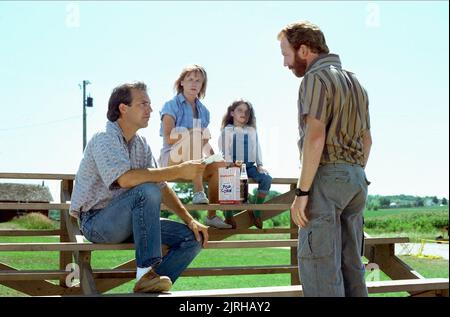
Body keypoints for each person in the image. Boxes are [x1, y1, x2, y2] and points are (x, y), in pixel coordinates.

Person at [69, 82, 209, 293]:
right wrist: (179, 170)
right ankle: (146, 274)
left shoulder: (141, 143)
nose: (150, 110)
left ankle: (149, 287)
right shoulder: (104, 139)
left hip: (135, 220)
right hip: (97, 222)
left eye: (150, 104)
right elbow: (126, 180)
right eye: (143, 104)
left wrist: (190, 220)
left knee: (192, 238)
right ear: (123, 108)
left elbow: (161, 186)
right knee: (146, 190)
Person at [278, 21, 372, 297]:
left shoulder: (315, 78)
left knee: (320, 267)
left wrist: (302, 192)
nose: (285, 63)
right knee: (352, 267)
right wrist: (349, 172)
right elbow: (367, 140)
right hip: (356, 180)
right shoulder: (356, 82)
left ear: (304, 50)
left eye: (286, 54)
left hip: (326, 180)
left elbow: (315, 137)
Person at [159, 64, 231, 229]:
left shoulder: (204, 111)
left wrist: (217, 158)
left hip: (195, 164)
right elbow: (168, 137)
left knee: (220, 164)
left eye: (198, 80)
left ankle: (212, 216)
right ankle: (198, 191)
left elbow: (203, 144)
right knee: (197, 133)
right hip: (172, 159)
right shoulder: (171, 105)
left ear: (202, 85)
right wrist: (192, 132)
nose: (194, 83)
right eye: (190, 79)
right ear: (182, 82)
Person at [219, 99, 272, 229]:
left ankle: (257, 212)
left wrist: (259, 165)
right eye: (240, 110)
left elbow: (256, 148)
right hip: (232, 165)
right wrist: (231, 164)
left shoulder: (251, 131)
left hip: (248, 166)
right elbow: (225, 149)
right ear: (232, 113)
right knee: (229, 181)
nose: (244, 113)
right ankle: (228, 215)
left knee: (266, 179)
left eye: (247, 112)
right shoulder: (228, 130)